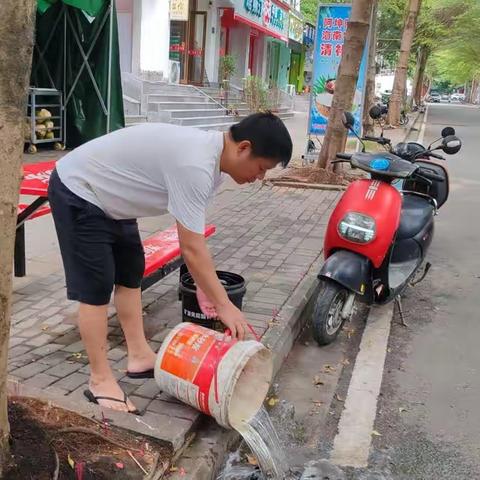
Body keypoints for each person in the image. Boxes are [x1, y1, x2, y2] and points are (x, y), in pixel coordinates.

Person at [48, 112, 293, 414]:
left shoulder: (213, 164)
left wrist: (208, 291)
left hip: (113, 200)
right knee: (96, 287)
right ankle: (99, 380)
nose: (259, 177)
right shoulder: (196, 165)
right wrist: (225, 306)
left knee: (130, 273)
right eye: (261, 168)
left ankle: (139, 356)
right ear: (243, 147)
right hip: (80, 188)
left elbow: (193, 237)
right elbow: (191, 247)